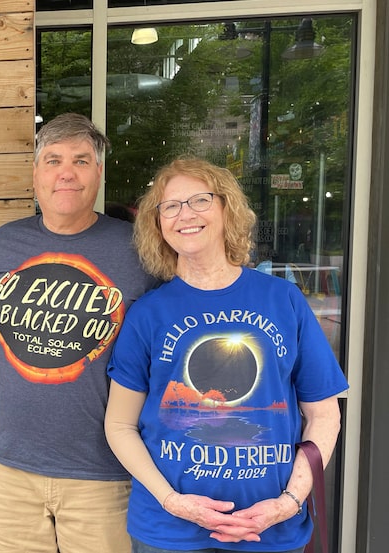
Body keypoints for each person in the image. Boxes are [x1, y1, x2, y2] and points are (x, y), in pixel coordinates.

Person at [104, 157, 348, 553]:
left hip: (271, 530)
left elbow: (324, 414)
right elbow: (119, 425)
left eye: (200, 200)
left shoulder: (282, 300)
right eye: (170, 206)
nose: (185, 214)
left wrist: (288, 503)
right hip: (168, 533)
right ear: (158, 223)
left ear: (226, 208)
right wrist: (173, 502)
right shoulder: (148, 314)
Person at [0, 112, 157, 553]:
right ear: (36, 174)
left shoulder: (138, 250)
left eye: (82, 161)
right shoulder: (4, 244)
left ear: (99, 174)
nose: (66, 172)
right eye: (53, 160)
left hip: (104, 474)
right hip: (11, 471)